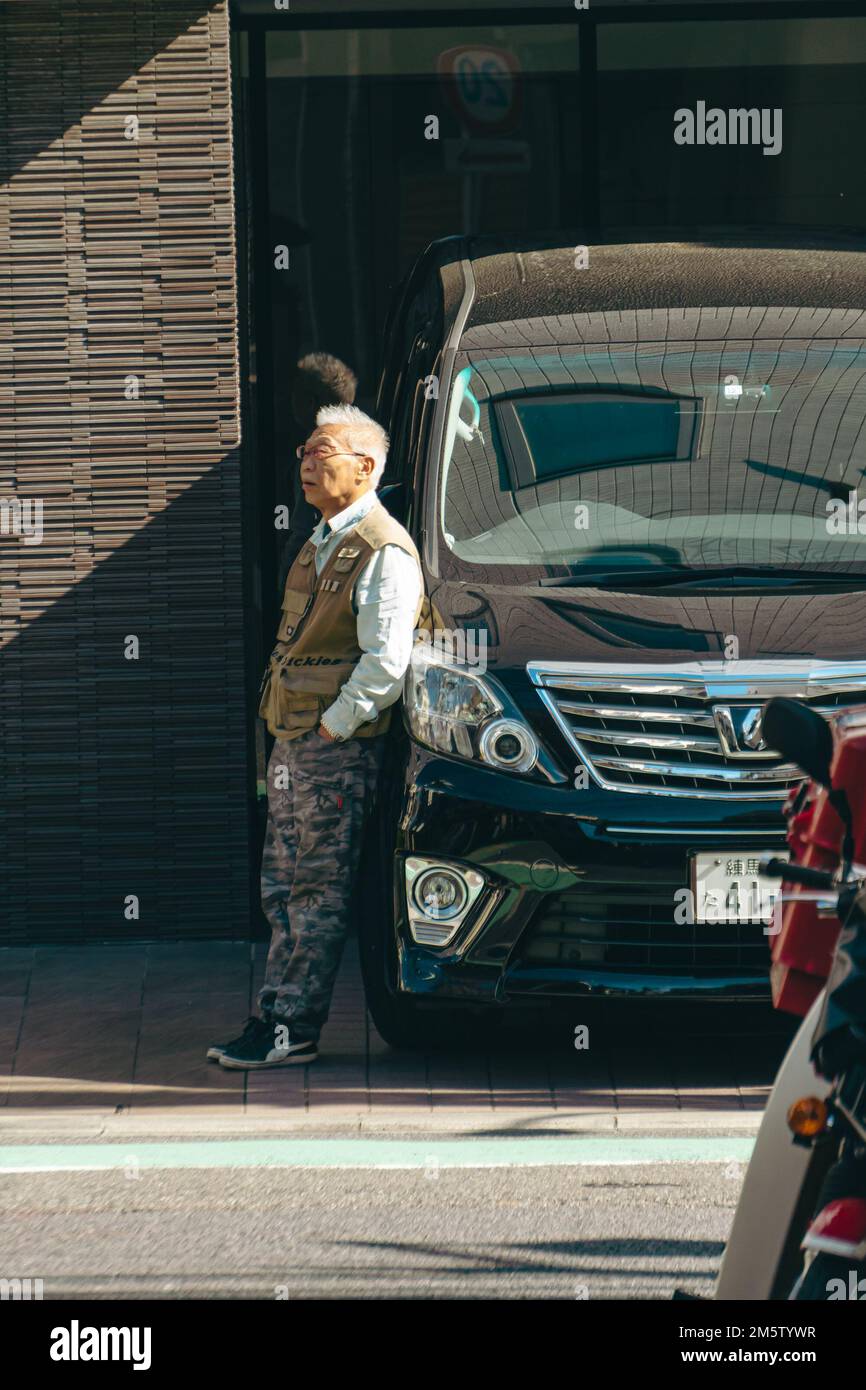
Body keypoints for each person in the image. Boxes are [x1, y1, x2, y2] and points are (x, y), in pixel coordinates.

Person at [208, 404, 424, 1069]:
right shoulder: (322, 537)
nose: (305, 459)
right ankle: (274, 1015)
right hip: (295, 743)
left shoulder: (383, 548)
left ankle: (292, 1028)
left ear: (365, 466)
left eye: (321, 450)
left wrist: (334, 730)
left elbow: (386, 663)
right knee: (282, 886)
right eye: (304, 448)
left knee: (316, 891)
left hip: (330, 749)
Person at [277, 353, 358, 593]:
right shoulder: (363, 447)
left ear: (310, 402)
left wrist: (287, 581)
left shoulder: (316, 456)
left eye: (295, 395)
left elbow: (303, 531)